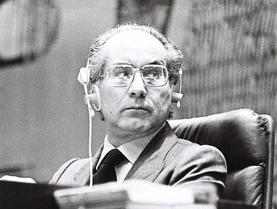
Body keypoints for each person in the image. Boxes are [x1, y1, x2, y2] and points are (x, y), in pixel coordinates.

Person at [50, 23, 227, 195]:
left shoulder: (196, 163)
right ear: (94, 92)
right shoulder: (66, 175)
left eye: (153, 73)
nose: (138, 89)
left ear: (172, 91)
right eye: (122, 73)